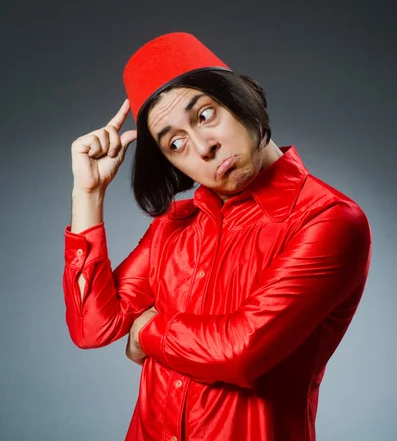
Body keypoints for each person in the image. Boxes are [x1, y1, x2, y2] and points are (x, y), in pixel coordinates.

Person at [63, 32, 372, 441]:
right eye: (176, 143)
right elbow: (92, 328)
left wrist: (146, 332)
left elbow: (241, 352)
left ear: (242, 98)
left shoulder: (328, 221)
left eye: (205, 115)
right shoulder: (175, 224)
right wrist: (88, 195)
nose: (203, 147)